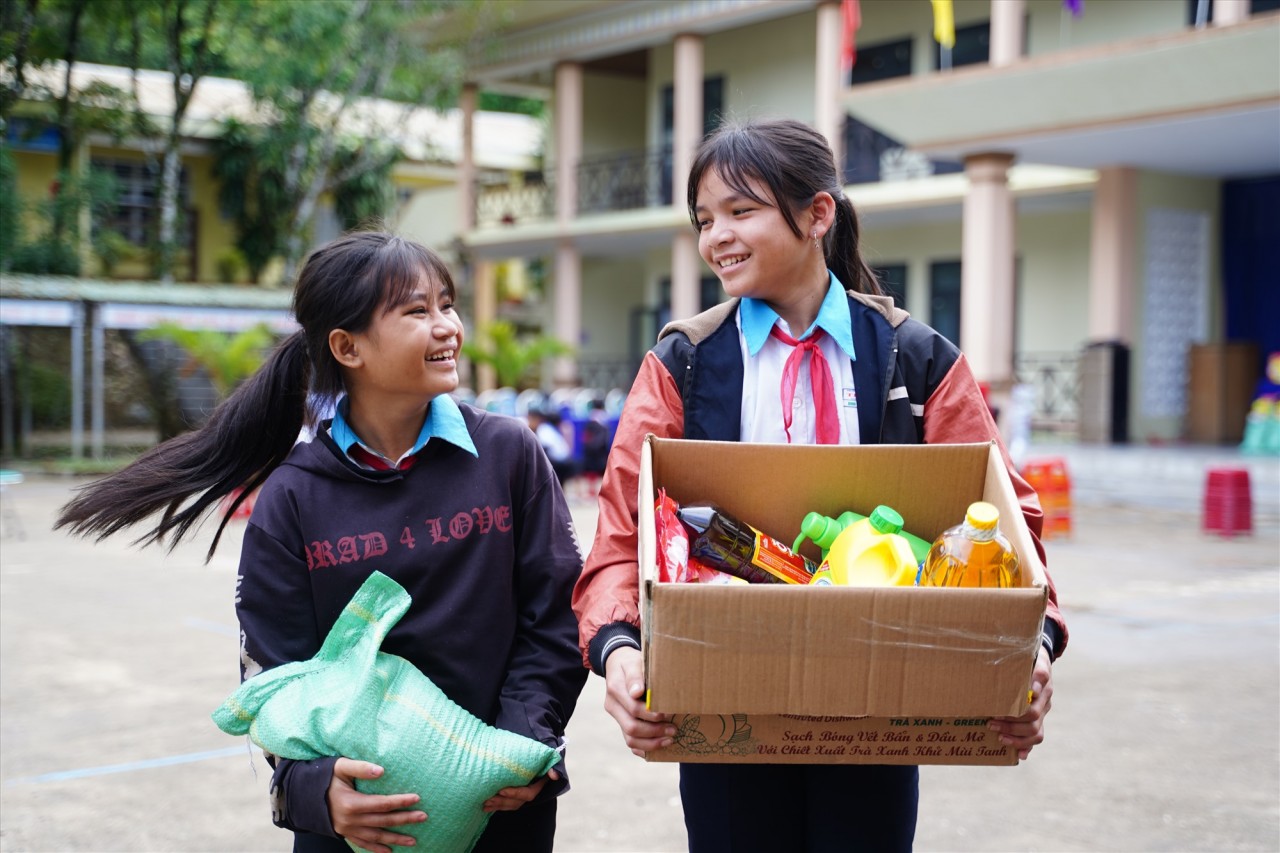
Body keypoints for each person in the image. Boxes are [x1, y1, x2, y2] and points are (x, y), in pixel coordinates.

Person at [571, 118, 1069, 852]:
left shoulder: (914, 357)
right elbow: (622, 535)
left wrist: (1035, 648)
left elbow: (1008, 521)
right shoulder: (683, 363)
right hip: (726, 697)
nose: (716, 238)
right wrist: (620, 653)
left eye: (741, 211)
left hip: (878, 698)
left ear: (817, 214)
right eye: (705, 220)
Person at [56, 231, 587, 853]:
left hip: (503, 808)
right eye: (418, 311)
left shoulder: (508, 454)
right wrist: (315, 791)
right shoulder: (293, 496)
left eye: (448, 304)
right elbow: (278, 676)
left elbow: (555, 615)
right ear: (347, 346)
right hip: (359, 823)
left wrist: (518, 746)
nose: (447, 327)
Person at [527, 405, 578, 486]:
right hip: (559, 460)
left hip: (559, 461)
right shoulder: (544, 428)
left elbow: (547, 449)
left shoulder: (543, 429)